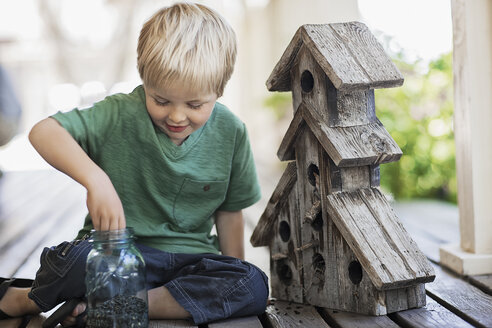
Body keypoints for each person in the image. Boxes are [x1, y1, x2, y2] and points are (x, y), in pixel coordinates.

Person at [0, 2, 268, 326]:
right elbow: (43, 132)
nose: (177, 116)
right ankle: (24, 298)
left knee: (251, 283)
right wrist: (96, 180)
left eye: (195, 104)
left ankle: (120, 304)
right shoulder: (119, 113)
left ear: (219, 90)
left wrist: (231, 276)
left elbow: (230, 213)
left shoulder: (232, 132)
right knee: (76, 262)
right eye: (161, 100)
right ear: (144, 77)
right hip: (117, 253)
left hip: (190, 261)